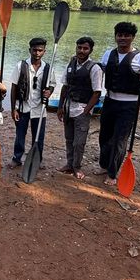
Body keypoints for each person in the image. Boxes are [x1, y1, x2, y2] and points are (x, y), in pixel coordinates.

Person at [98, 22, 140, 186]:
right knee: (105, 136)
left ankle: (112, 173)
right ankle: (103, 165)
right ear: (115, 36)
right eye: (120, 35)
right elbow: (101, 72)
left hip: (129, 105)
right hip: (109, 100)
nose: (122, 38)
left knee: (120, 140)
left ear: (132, 37)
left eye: (126, 35)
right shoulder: (108, 54)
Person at [57, 37, 103, 180]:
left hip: (82, 109)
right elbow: (64, 87)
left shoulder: (94, 68)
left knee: (79, 142)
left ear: (90, 50)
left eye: (85, 48)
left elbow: (97, 92)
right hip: (68, 107)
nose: (81, 51)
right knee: (69, 138)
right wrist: (60, 107)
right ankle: (69, 164)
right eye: (79, 48)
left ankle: (77, 166)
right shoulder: (70, 64)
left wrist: (87, 110)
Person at [9, 37, 55, 169]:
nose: (37, 53)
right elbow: (14, 88)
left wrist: (49, 92)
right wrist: (13, 109)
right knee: (20, 135)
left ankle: (37, 159)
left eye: (40, 50)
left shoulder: (47, 67)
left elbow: (52, 84)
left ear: (44, 51)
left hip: (40, 108)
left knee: (39, 137)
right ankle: (17, 158)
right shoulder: (21, 65)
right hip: (23, 107)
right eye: (34, 50)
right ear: (30, 50)